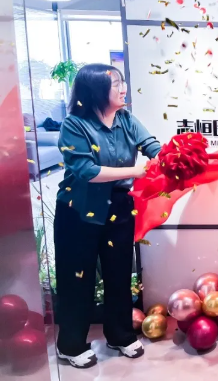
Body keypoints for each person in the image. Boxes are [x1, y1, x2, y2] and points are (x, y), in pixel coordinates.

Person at [54, 64, 161, 368]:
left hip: (119, 208)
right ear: (95, 91)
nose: (123, 88)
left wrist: (177, 157)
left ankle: (120, 335)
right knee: (78, 278)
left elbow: (153, 147)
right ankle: (70, 345)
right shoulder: (74, 125)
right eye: (116, 84)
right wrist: (136, 171)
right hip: (79, 210)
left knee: (119, 274)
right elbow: (86, 171)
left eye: (122, 82)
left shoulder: (126, 119)